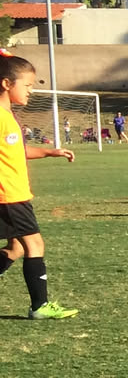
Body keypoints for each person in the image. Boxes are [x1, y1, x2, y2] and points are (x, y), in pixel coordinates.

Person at [0, 53, 79, 319]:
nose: (31, 91)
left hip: (14, 195)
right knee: (34, 244)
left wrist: (50, 152)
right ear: (6, 83)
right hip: (9, 196)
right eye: (27, 85)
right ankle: (40, 306)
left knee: (16, 247)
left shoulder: (8, 115)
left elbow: (16, 151)